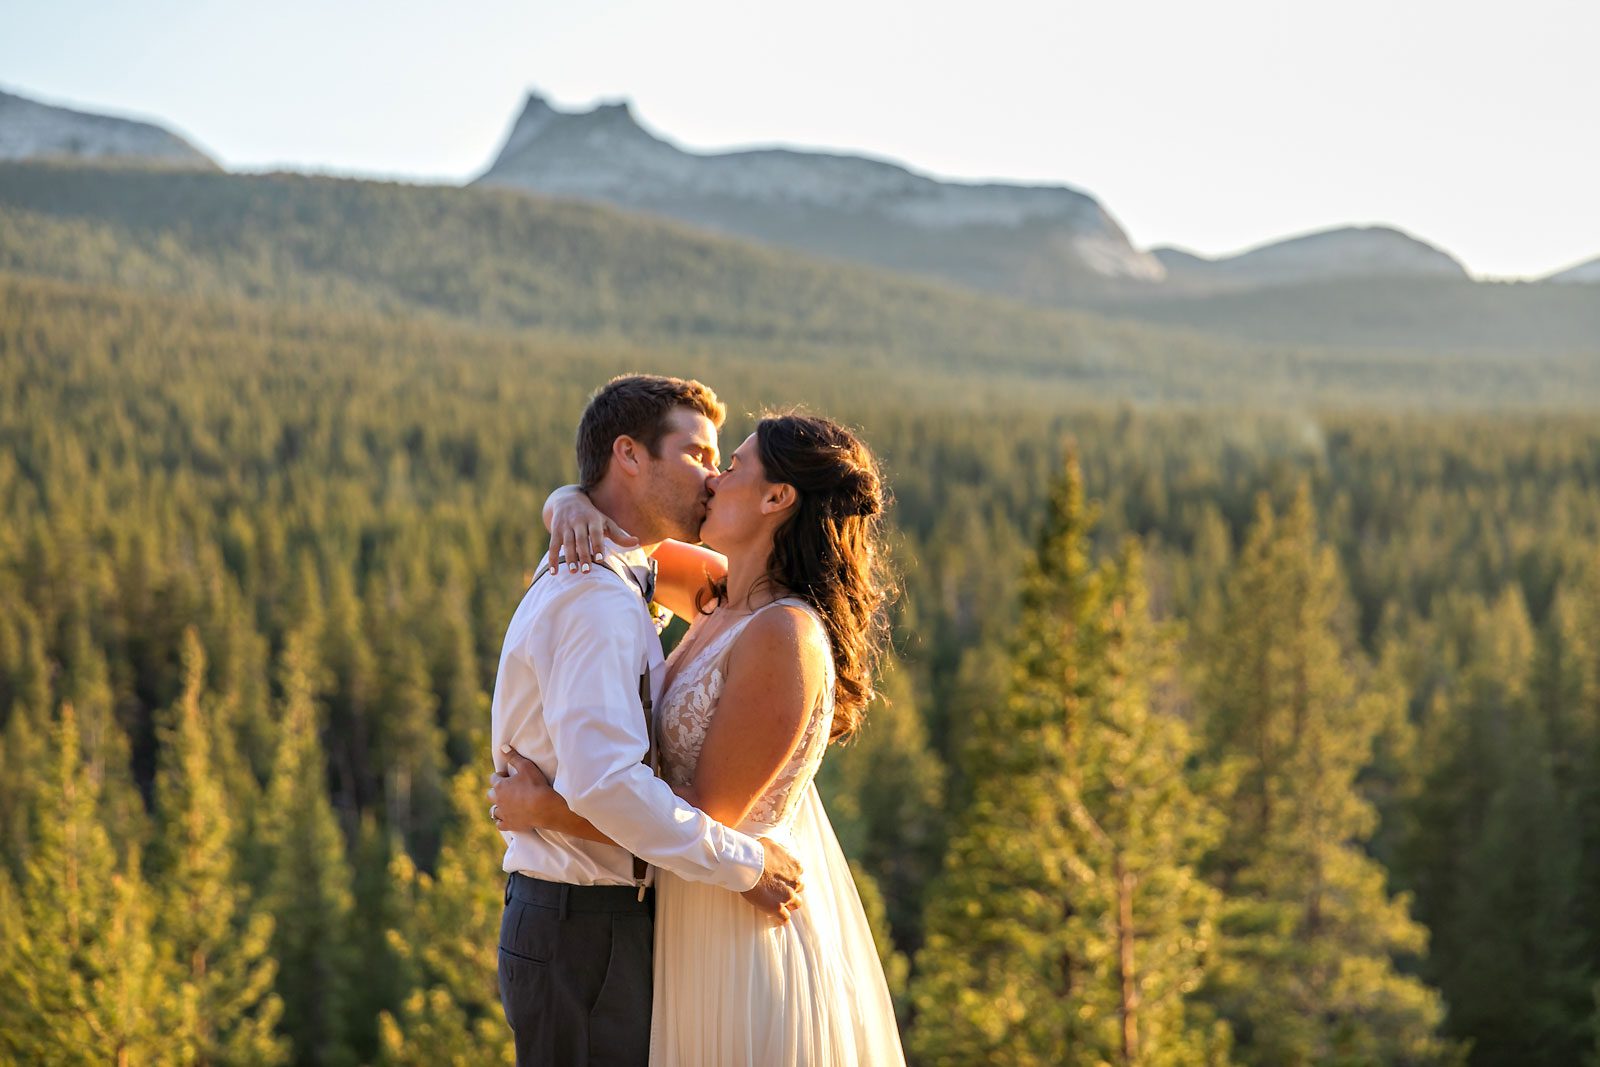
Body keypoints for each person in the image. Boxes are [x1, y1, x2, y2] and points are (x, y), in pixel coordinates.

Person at [493, 409, 908, 1066]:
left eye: (734, 465)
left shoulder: (782, 635)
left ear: (777, 498)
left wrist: (552, 809)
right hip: (687, 918)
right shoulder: (719, 594)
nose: (714, 479)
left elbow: (708, 813)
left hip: (737, 935)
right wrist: (566, 501)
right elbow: (630, 530)